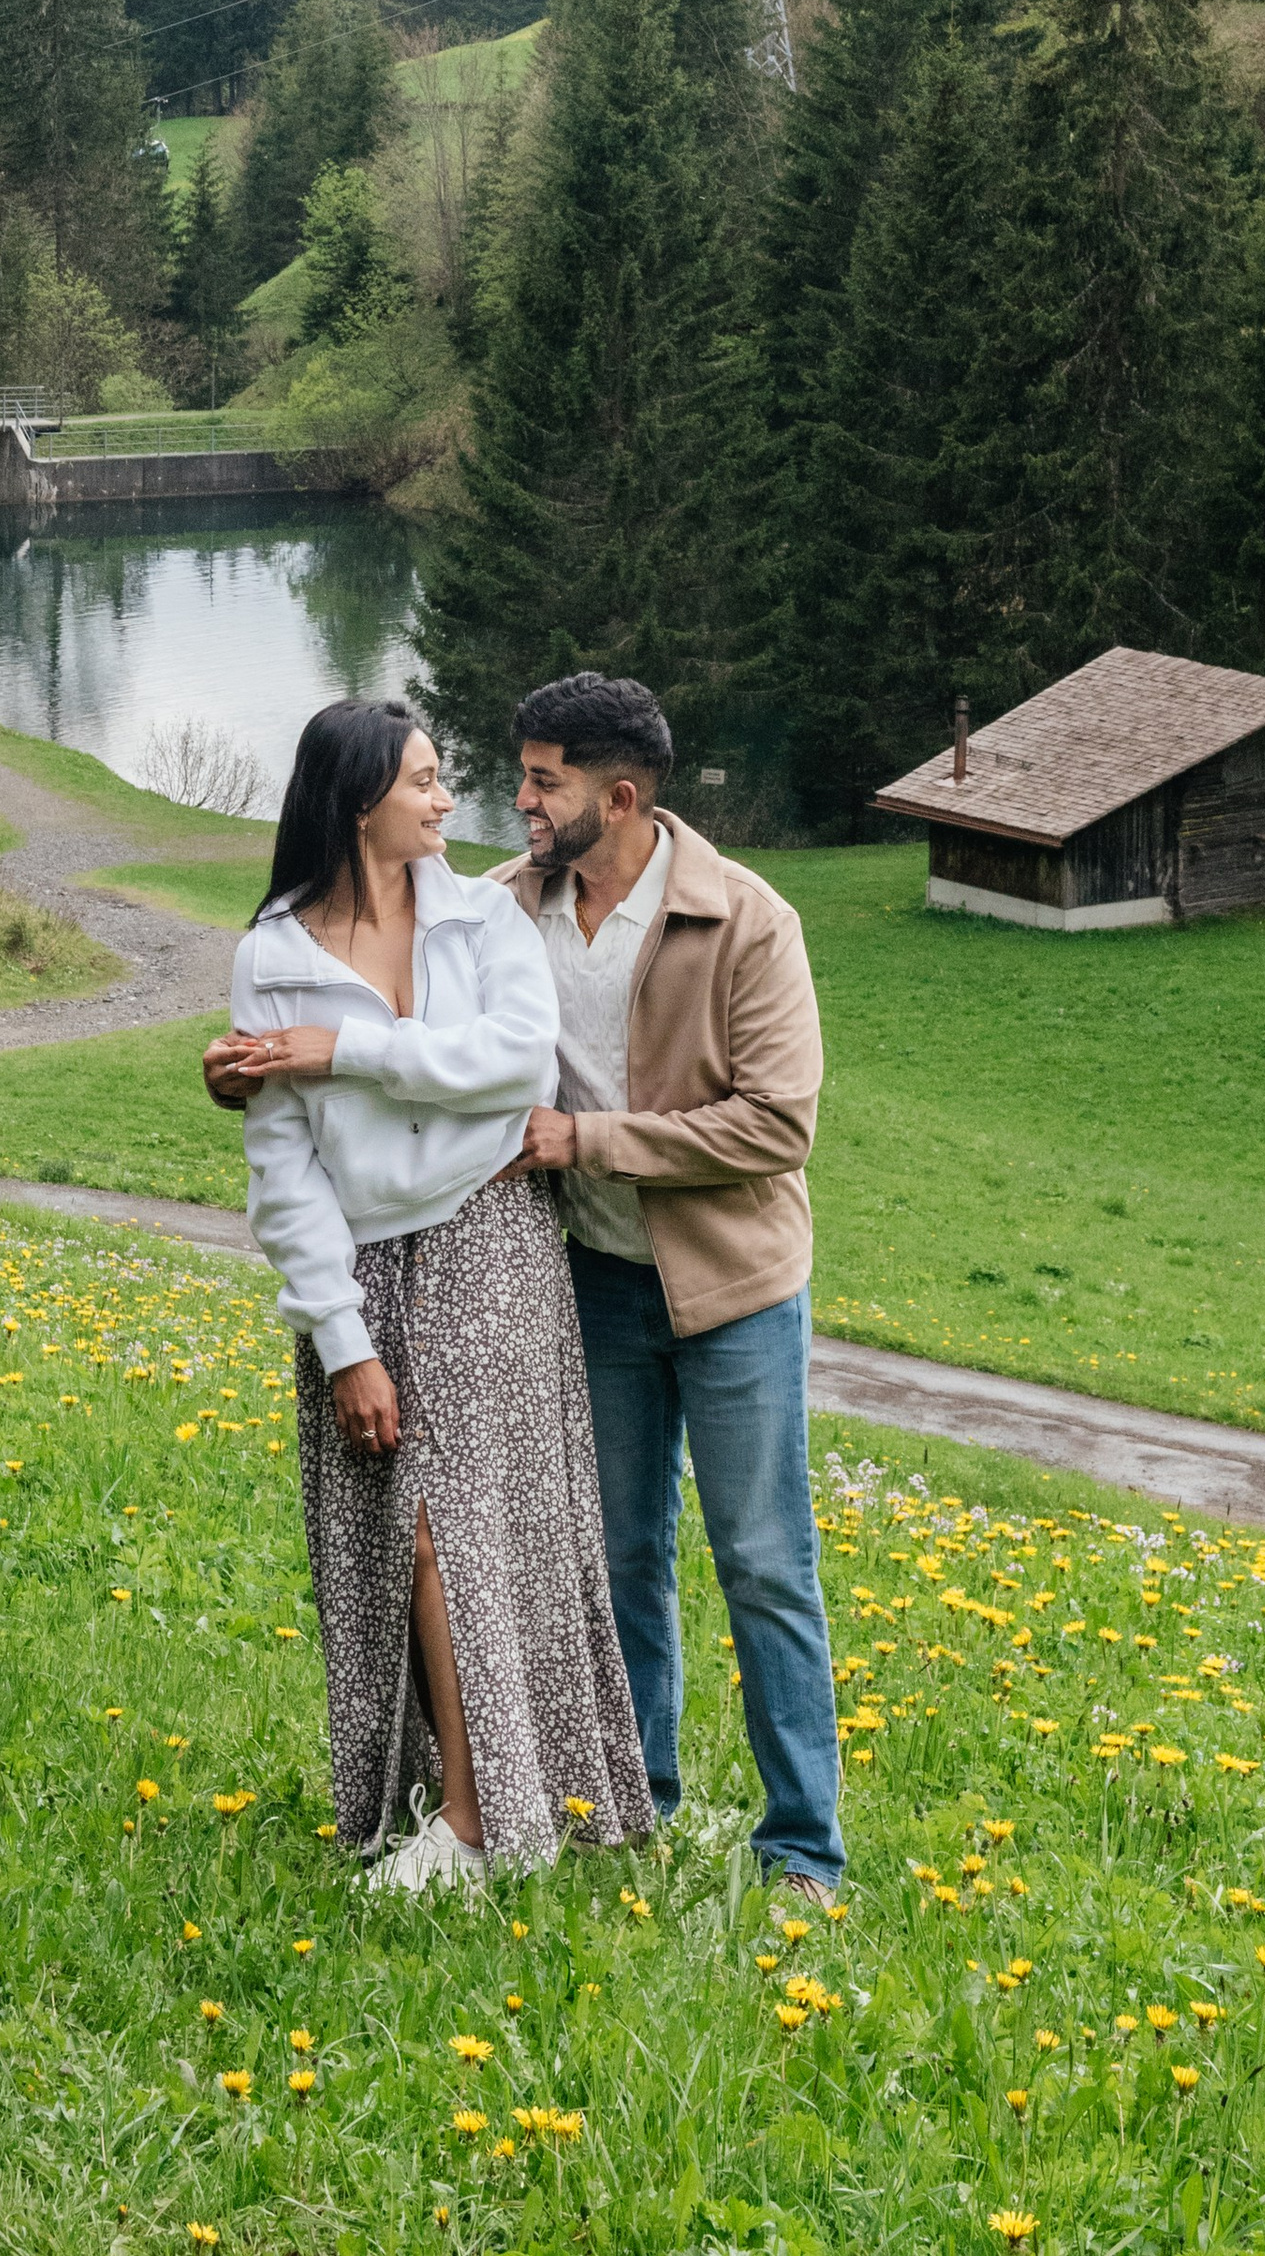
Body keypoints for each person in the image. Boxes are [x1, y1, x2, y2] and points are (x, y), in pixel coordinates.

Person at [203, 695, 653, 1894]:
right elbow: (282, 1169)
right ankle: (470, 1796)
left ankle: (472, 1819)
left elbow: (514, 1065)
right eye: (423, 780)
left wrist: (339, 1050)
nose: (449, 800)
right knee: (393, 1535)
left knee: (449, 1520)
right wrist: (340, 1338)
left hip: (490, 1242)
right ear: (360, 804)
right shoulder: (272, 955)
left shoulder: (481, 918)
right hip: (361, 1268)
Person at [499, 671, 841, 1897]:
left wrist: (589, 1140)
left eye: (546, 780)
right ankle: (630, 1803)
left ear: (621, 795)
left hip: (734, 1292)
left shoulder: (746, 921)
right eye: (524, 773)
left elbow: (774, 1126)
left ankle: (801, 1848)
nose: (523, 798)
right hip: (594, 1280)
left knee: (761, 1561)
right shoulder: (503, 908)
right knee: (619, 1556)